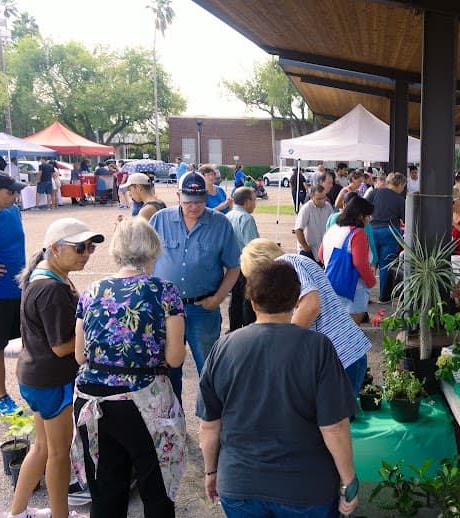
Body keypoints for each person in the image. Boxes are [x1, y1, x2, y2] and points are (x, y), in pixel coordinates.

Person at [196, 261, 359, 517]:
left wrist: (211, 472)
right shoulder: (318, 348)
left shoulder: (223, 347)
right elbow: (334, 427)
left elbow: (209, 424)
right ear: (296, 300)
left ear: (252, 301)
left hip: (239, 485)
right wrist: (349, 480)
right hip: (306, 489)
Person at [72, 218, 186, 518]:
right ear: (153, 249)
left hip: (91, 400)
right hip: (141, 399)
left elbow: (79, 356)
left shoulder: (92, 289)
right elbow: (175, 359)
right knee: (156, 487)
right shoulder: (166, 291)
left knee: (106, 490)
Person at [10, 218, 103, 518]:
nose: (86, 253)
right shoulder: (52, 288)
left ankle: (17, 512)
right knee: (58, 454)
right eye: (79, 248)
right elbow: (62, 346)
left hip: (36, 376)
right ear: (54, 249)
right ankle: (60, 515)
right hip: (52, 379)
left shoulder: (46, 275)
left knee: (42, 448)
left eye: (89, 247)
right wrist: (97, 341)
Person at [149, 171, 241, 403]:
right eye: (189, 201)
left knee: (209, 369)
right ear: (178, 195)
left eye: (200, 201)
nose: (194, 206)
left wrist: (218, 298)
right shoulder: (159, 219)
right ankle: (172, 422)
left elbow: (233, 267)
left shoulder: (221, 224)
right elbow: (144, 259)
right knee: (168, 370)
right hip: (165, 309)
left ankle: (211, 423)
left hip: (203, 308)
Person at [239, 238, 372, 396]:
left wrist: (280, 344)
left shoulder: (286, 263)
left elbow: (311, 305)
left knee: (333, 418)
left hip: (341, 356)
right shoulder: (294, 262)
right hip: (342, 355)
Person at [320, 195, 376, 324]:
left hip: (331, 285)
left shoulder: (332, 229)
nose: (369, 219)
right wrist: (371, 281)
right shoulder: (358, 233)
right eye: (368, 216)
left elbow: (321, 255)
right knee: (350, 332)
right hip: (354, 289)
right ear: (361, 216)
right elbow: (360, 263)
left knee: (335, 329)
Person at [0, 171, 25, 415]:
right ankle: (0, 395)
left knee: (31, 337)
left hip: (20, 288)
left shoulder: (13, 211)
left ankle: (33, 384)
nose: (16, 195)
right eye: (10, 191)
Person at [368, 172, 406, 302]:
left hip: (372, 231)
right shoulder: (400, 200)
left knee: (371, 263)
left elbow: (364, 207)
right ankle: (383, 297)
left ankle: (365, 296)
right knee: (386, 265)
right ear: (400, 184)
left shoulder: (375, 192)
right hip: (391, 232)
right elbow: (405, 218)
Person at [226, 187, 259, 331]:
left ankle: (234, 329)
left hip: (230, 266)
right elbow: (253, 246)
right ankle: (247, 330)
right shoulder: (246, 218)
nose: (255, 204)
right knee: (247, 300)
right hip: (246, 266)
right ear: (247, 201)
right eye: (254, 200)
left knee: (235, 300)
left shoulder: (227, 216)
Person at [294, 184, 334, 263]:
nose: (322, 201)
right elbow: (298, 230)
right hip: (308, 251)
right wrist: (306, 248)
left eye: (324, 197)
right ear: (312, 196)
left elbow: (332, 228)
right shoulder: (306, 208)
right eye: (319, 199)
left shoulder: (328, 207)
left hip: (323, 250)